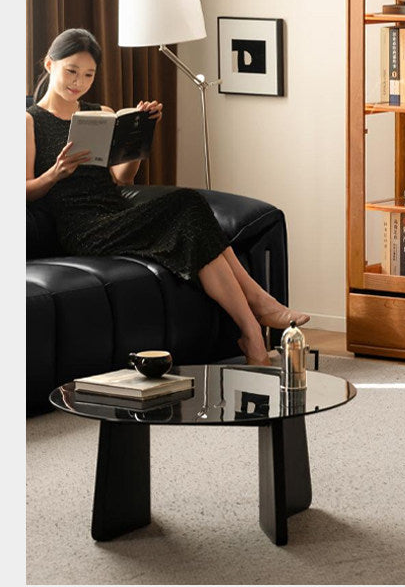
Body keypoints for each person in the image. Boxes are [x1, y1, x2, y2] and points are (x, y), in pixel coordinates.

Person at [26, 28, 309, 366]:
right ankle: (259, 309)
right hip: (82, 228)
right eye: (71, 71)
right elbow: (24, 188)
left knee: (194, 226)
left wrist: (140, 135)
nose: (79, 82)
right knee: (187, 204)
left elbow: (122, 178)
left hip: (116, 211)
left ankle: (252, 332)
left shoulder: (99, 112)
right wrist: (55, 173)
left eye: (88, 75)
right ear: (50, 64)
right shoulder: (30, 121)